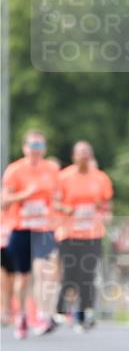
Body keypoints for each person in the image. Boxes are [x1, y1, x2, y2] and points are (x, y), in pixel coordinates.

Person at [1, 130, 59, 338]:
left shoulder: (51, 170)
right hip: (21, 229)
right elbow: (3, 202)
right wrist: (25, 195)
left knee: (43, 270)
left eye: (40, 147)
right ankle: (22, 317)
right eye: (33, 146)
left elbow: (56, 197)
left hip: (43, 229)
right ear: (25, 148)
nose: (36, 151)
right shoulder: (14, 171)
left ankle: (43, 316)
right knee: (23, 277)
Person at [54, 141, 113, 332]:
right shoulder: (64, 177)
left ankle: (86, 312)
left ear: (91, 156)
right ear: (74, 156)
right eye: (80, 153)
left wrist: (104, 213)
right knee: (71, 273)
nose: (84, 157)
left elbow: (107, 204)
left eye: (87, 153)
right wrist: (67, 209)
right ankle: (60, 311)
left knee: (87, 273)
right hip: (69, 232)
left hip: (92, 232)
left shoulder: (101, 178)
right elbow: (54, 203)